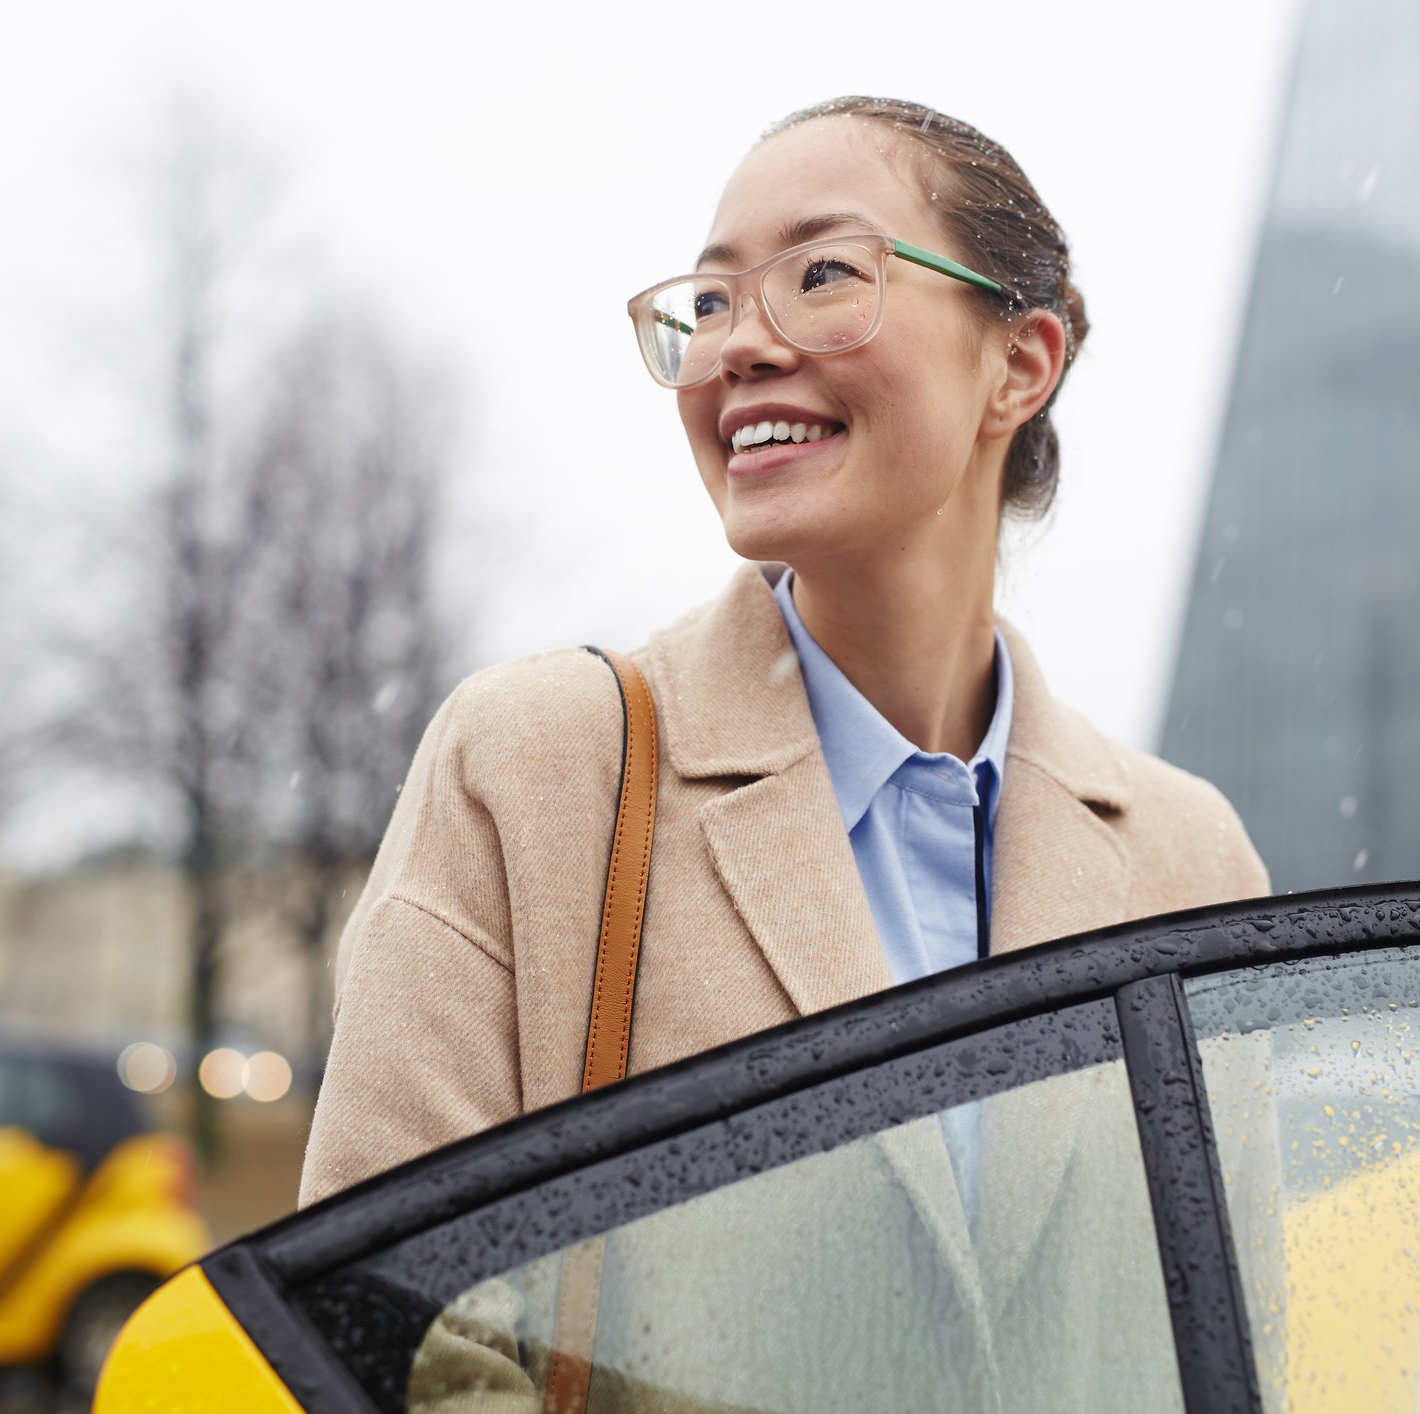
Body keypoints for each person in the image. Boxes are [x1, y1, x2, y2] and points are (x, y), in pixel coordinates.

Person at [300, 93, 1267, 1205]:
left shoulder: (1196, 865)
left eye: (822, 275)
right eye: (712, 301)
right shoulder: (534, 772)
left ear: (1018, 363)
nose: (741, 345)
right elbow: (388, 1346)